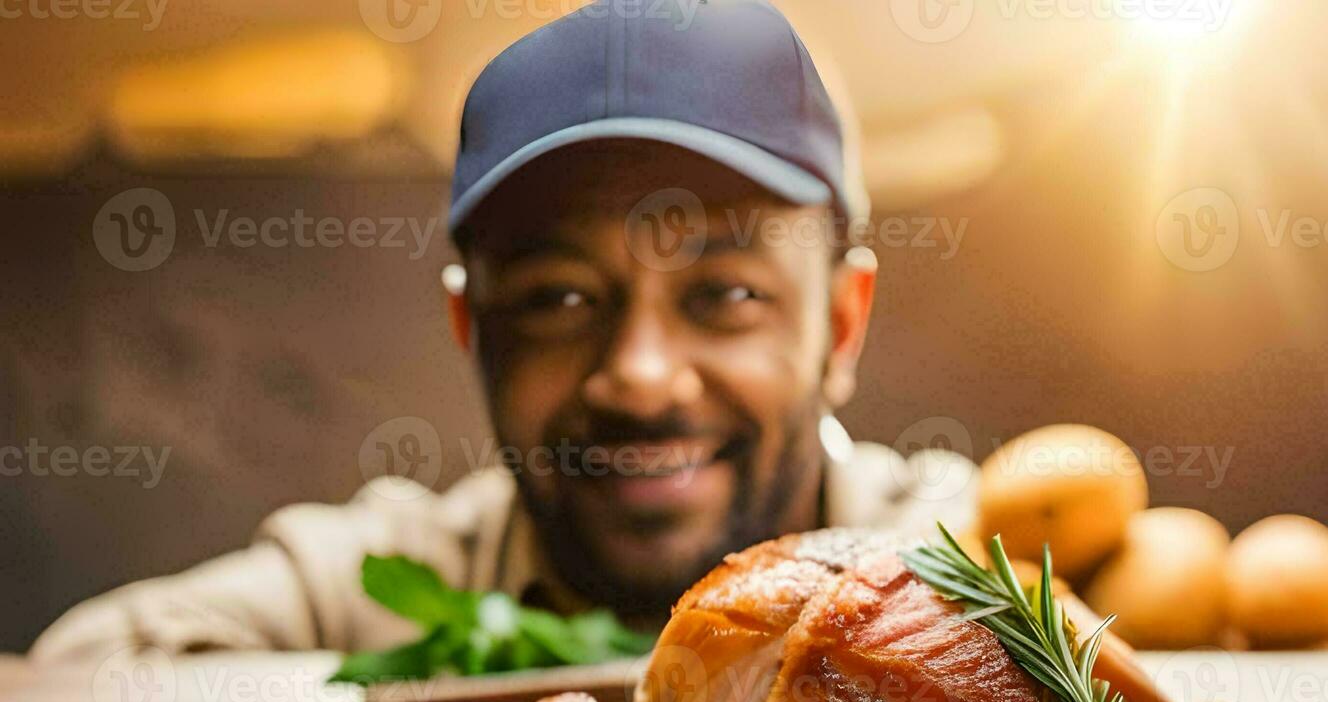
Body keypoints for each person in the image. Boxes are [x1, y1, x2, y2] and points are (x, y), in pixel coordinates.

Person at [30, 0, 978, 663]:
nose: (640, 378)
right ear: (470, 328)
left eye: (724, 295)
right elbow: (79, 675)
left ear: (842, 327)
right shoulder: (381, 587)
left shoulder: (973, 556)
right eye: (558, 299)